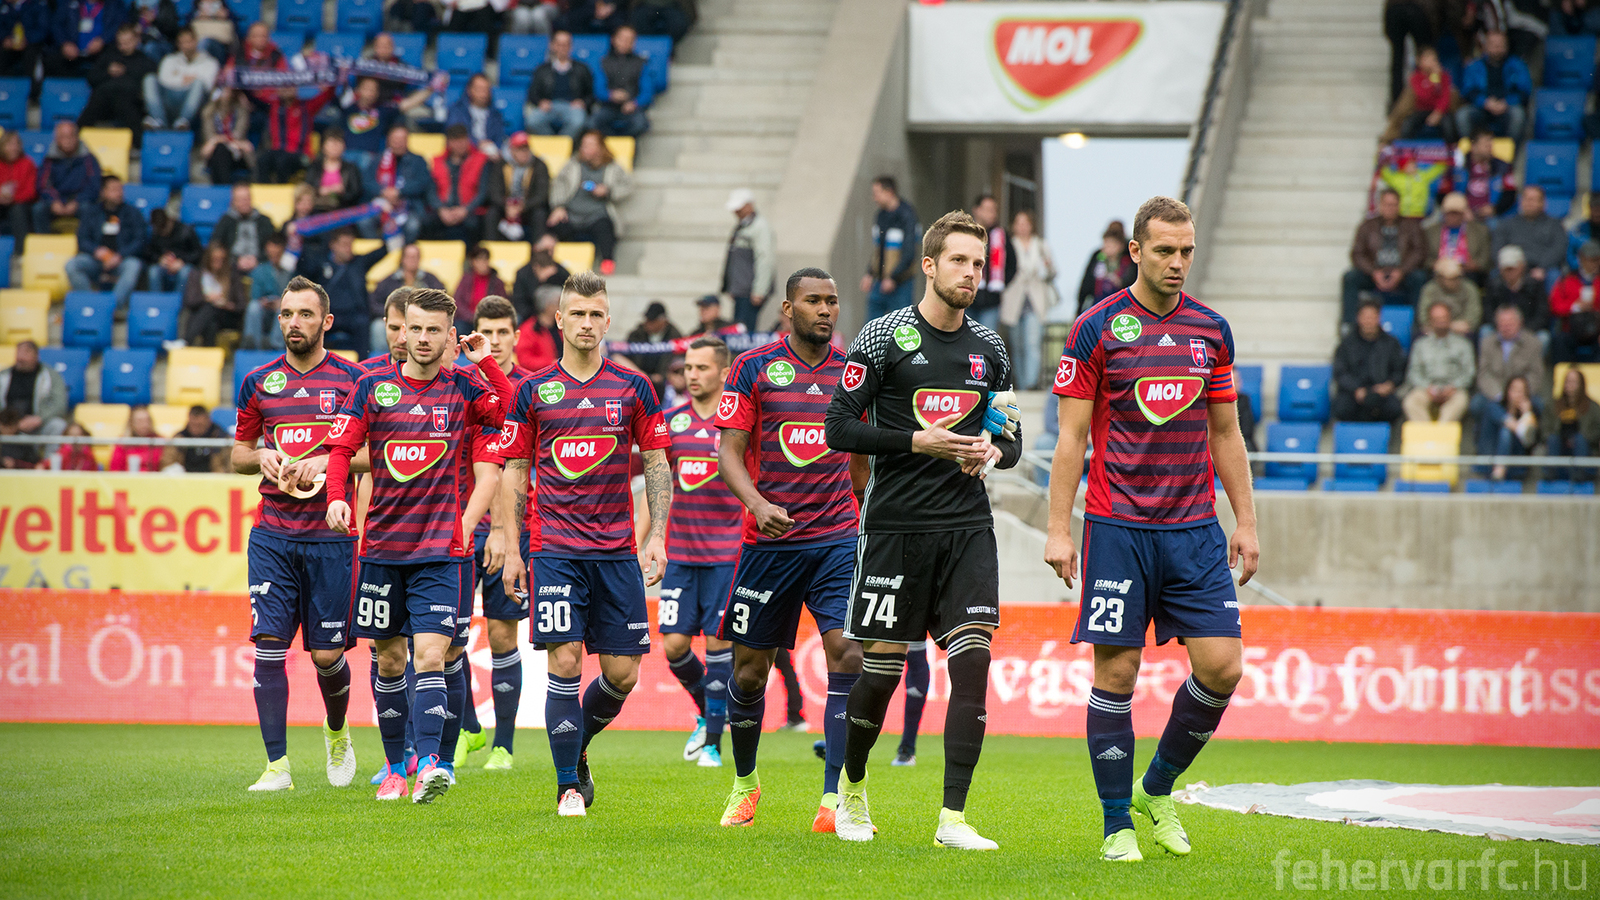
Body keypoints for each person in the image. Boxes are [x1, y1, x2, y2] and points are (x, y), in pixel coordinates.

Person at [1044, 196, 1258, 864]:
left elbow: (1226, 433)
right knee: (1118, 670)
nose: (1177, 262)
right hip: (1117, 527)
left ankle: (1156, 788)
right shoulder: (1095, 329)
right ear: (1135, 251)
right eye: (1165, 250)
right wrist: (1058, 529)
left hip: (1194, 528)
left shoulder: (1211, 330)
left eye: (1186, 250)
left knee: (1223, 667)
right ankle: (1117, 826)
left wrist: (1246, 522)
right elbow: (1071, 438)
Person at [823, 209, 1024, 849]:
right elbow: (837, 427)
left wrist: (992, 450)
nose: (971, 273)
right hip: (894, 529)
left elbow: (1012, 438)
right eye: (959, 260)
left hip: (967, 528)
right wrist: (917, 441)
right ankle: (851, 790)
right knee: (880, 674)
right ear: (930, 265)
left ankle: (953, 820)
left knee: (973, 664)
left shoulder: (991, 347)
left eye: (978, 263)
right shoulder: (883, 337)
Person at [496, 270, 673, 817]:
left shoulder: (632, 387)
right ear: (559, 319)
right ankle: (567, 786)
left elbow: (656, 463)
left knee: (622, 675)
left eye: (596, 314)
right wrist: (512, 547)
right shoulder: (531, 391)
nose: (587, 323)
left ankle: (578, 745)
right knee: (566, 660)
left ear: (609, 321)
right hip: (555, 550)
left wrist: (657, 535)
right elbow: (514, 470)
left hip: (616, 552)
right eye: (578, 313)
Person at [325, 288, 510, 802]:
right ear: (401, 330)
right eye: (415, 328)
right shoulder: (371, 387)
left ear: (450, 335)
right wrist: (336, 497)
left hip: (439, 552)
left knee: (430, 654)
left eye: (434, 330)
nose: (423, 338)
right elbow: (341, 449)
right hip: (382, 549)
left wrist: (486, 362)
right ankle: (393, 769)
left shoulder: (464, 389)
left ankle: (430, 763)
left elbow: (511, 410)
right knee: (389, 660)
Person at [707, 267, 862, 833]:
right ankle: (745, 783)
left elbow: (863, 452)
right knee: (750, 673)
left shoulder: (853, 371)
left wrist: (864, 506)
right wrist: (757, 504)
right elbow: (729, 451)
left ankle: (835, 799)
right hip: (769, 544)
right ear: (788, 310)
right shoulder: (753, 368)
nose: (826, 309)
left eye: (832, 301)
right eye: (813, 300)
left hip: (836, 539)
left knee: (847, 653)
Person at [231, 277, 367, 792]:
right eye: (287, 314)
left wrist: (326, 462)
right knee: (268, 644)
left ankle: (337, 731)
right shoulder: (258, 382)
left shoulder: (353, 381)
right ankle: (277, 766)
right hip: (272, 533)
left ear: (326, 322)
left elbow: (375, 451)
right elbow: (238, 454)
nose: (294, 323)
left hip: (330, 535)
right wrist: (262, 456)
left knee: (327, 656)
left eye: (305, 314)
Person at [654, 335, 740, 768]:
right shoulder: (672, 422)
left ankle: (713, 747)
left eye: (701, 368)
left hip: (727, 555)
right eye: (688, 367)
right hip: (682, 556)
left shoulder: (738, 423)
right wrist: (651, 539)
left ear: (723, 372)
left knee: (719, 646)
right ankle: (710, 714)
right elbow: (656, 483)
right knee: (673, 646)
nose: (692, 375)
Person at [459, 295, 536, 770]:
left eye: (502, 332)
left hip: (509, 530)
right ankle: (468, 727)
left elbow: (515, 468)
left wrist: (504, 530)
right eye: (485, 333)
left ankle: (503, 745)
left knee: (503, 634)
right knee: (447, 635)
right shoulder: (461, 386)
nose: (495, 341)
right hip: (458, 525)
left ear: (516, 336)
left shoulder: (529, 389)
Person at [295, 227, 391, 356]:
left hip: (353, 315)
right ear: (333, 245)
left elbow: (385, 249)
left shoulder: (359, 263)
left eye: (351, 245)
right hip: (327, 313)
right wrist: (296, 238)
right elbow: (301, 266)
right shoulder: (320, 264)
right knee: (312, 323)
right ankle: (309, 361)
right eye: (344, 245)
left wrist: (389, 228)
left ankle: (362, 365)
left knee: (363, 323)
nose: (348, 249)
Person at [548, 129, 632, 273]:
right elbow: (558, 185)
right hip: (571, 214)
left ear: (600, 147)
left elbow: (627, 186)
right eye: (584, 145)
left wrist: (608, 191)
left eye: (590, 145)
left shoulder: (612, 167)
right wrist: (559, 206)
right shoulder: (572, 165)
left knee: (605, 227)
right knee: (553, 224)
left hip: (597, 214)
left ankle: (607, 261)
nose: (585, 148)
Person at [1342, 188, 1426, 325]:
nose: (1390, 208)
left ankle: (1418, 324)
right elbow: (1357, 253)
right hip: (1374, 272)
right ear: (1380, 205)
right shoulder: (1367, 226)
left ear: (1399, 205)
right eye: (1387, 204)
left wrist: (1401, 272)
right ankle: (1349, 324)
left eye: (1393, 204)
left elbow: (1419, 251)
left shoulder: (1411, 226)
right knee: (1350, 278)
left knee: (1419, 277)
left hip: (1403, 273)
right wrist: (1373, 272)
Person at [1471, 304, 1546, 455]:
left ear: (1519, 323)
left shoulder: (1533, 343)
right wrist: (1500, 395)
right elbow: (1483, 374)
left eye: (1510, 323)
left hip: (1522, 393)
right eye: (1502, 323)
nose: (1506, 327)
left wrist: (1520, 393)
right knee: (1477, 404)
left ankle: (1530, 446)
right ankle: (1485, 444)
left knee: (1538, 404)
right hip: (1495, 393)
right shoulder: (1487, 342)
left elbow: (1536, 375)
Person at [65, 175, 147, 311]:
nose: (119, 193)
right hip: (96, 260)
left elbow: (140, 240)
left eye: (120, 189)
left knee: (133, 265)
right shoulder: (91, 212)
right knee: (72, 265)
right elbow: (82, 239)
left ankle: (111, 309)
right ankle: (91, 304)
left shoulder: (133, 213)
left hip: (121, 260)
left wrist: (120, 255)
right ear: (103, 192)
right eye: (114, 190)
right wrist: (97, 251)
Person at [1001, 208, 1054, 392]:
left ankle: (1030, 384)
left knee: (1032, 343)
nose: (1022, 227)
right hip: (1014, 298)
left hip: (1034, 300)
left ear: (1031, 225)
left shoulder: (1041, 245)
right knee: (1017, 346)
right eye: (1019, 223)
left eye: (1025, 223)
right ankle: (1022, 385)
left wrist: (1047, 267)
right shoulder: (1009, 244)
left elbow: (1053, 272)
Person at [76, 24, 156, 142]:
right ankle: (76, 137)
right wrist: (108, 73)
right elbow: (91, 78)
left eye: (128, 42)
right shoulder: (108, 56)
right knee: (98, 98)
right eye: (121, 43)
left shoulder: (145, 61)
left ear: (136, 40)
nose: (124, 46)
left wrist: (126, 71)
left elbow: (147, 84)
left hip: (130, 102)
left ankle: (138, 144)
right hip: (104, 102)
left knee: (124, 102)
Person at [1332, 300, 1407, 423]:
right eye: (1365, 317)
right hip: (1353, 392)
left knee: (1394, 408)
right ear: (1358, 318)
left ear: (1379, 318)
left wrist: (1389, 385)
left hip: (1381, 392)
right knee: (1342, 408)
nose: (1369, 321)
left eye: (1372, 317)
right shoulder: (1346, 344)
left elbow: (1399, 370)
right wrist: (1356, 389)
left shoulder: (1391, 343)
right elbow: (1340, 372)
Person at [1403, 300, 1477, 423]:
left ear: (1450, 318)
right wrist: (1428, 388)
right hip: (1426, 388)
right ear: (1430, 321)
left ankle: (1442, 431)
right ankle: (1427, 433)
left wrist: (1453, 386)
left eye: (1444, 317)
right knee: (1411, 402)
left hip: (1454, 389)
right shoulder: (1420, 345)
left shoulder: (1463, 344)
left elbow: (1469, 372)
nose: (1441, 321)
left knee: (1460, 401)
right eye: (1437, 318)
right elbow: (1414, 373)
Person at [361, 124, 433, 243]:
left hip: (409, 207)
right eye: (395, 139)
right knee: (364, 222)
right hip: (381, 205)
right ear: (388, 141)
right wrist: (382, 191)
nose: (398, 143)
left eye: (402, 140)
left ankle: (404, 252)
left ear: (407, 141)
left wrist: (399, 192)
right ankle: (379, 250)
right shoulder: (377, 160)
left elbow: (422, 183)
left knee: (413, 225)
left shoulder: (418, 160)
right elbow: (367, 182)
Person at [862, 175, 920, 322]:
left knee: (902, 325)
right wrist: (870, 273)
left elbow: (909, 252)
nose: (874, 198)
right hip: (880, 281)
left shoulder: (907, 216)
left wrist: (893, 278)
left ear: (889, 192)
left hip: (901, 284)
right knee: (871, 324)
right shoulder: (880, 216)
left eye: (877, 193)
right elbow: (878, 250)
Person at [369, 243, 446, 352]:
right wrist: (391, 313)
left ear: (420, 259)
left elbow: (443, 300)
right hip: (395, 319)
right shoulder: (388, 281)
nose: (412, 260)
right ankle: (382, 357)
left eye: (415, 256)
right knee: (378, 327)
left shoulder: (430, 280)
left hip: (423, 320)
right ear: (402, 258)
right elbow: (374, 303)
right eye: (409, 256)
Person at [1492, 185, 1567, 296]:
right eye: (1526, 199)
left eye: (1533, 200)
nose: (1529, 203)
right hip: (1513, 266)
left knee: (1554, 275)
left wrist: (1542, 267)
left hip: (1542, 268)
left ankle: (1548, 307)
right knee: (1494, 275)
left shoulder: (1554, 225)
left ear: (1542, 203)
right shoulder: (1507, 224)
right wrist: (1512, 268)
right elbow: (1497, 249)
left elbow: (1558, 248)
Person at [255, 84, 339, 184]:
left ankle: (282, 190)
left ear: (296, 89)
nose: (286, 88)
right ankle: (264, 189)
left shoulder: (306, 107)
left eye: (290, 85)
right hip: (278, 153)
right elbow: (253, 98)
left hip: (302, 155)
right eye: (284, 85)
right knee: (262, 160)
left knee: (283, 161)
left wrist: (331, 83)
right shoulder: (273, 106)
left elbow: (328, 95)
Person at [1456, 31, 1531, 141]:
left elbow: (1524, 91)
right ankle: (1472, 149)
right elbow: (1467, 90)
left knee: (1518, 114)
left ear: (1507, 46)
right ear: (1485, 46)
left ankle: (1511, 149)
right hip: (1481, 107)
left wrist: (1506, 102)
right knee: (1462, 115)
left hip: (1507, 107)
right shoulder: (1474, 66)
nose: (1497, 47)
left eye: (1501, 44)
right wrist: (1485, 102)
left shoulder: (1517, 65)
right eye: (1493, 44)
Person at [423, 125, 492, 242]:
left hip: (470, 210)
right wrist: (441, 209)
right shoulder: (437, 162)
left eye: (463, 140)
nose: (460, 145)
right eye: (456, 141)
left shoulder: (480, 160)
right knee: (426, 222)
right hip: (444, 209)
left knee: (473, 224)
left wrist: (465, 210)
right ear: (449, 143)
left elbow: (483, 192)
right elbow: (431, 190)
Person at [32, 121, 102, 234]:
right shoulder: (49, 160)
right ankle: (44, 242)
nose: (67, 140)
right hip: (56, 201)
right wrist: (54, 201)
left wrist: (76, 201)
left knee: (88, 209)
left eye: (71, 136)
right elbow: (43, 185)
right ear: (57, 139)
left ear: (77, 137)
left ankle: (85, 242)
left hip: (80, 201)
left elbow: (93, 186)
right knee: (38, 209)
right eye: (63, 137)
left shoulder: (89, 159)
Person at [722, 188, 775, 334]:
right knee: (739, 329)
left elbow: (765, 259)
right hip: (742, 290)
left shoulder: (759, 227)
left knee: (745, 331)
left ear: (749, 205)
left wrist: (759, 290)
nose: (736, 211)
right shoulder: (743, 225)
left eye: (739, 207)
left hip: (749, 291)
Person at [338, 77, 418, 175]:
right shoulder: (348, 109)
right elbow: (329, 93)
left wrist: (430, 88)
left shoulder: (383, 110)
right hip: (347, 154)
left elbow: (406, 104)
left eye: (373, 90)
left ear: (377, 93)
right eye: (366, 88)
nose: (370, 93)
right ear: (358, 90)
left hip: (370, 157)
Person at [144, 27, 217, 130]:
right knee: (150, 78)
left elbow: (208, 85)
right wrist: (184, 80)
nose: (186, 46)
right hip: (169, 99)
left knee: (198, 83)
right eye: (182, 43)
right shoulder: (169, 60)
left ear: (196, 41)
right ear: (178, 44)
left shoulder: (210, 62)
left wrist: (181, 78)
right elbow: (164, 80)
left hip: (194, 103)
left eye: (188, 42)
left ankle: (183, 121)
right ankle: (158, 120)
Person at [527, 30, 594, 138]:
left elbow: (591, 94)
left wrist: (582, 102)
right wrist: (540, 102)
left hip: (572, 108)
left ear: (571, 47)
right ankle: (552, 142)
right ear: (552, 45)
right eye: (559, 44)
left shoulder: (582, 69)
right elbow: (532, 93)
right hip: (549, 107)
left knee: (578, 121)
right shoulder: (542, 69)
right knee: (533, 120)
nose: (562, 48)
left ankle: (563, 143)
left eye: (565, 44)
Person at [588, 25, 653, 136]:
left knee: (641, 124)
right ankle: (610, 142)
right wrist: (610, 95)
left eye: (630, 40)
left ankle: (624, 141)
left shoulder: (641, 63)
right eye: (622, 39)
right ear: (614, 40)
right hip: (608, 107)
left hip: (633, 108)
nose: (625, 42)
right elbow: (598, 89)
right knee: (592, 123)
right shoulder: (603, 62)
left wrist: (634, 103)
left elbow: (647, 92)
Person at [1382, 45, 1455, 143]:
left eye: (1434, 59)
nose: (1432, 62)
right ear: (1419, 61)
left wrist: (1438, 112)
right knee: (1408, 125)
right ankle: (1406, 148)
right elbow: (1423, 96)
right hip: (1421, 110)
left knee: (1449, 126)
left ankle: (1451, 149)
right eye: (1428, 58)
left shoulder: (1444, 76)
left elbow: (1445, 96)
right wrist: (1434, 80)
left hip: (1440, 111)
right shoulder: (1416, 78)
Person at [1439, 129, 1516, 222]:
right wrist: (1460, 209)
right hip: (1462, 215)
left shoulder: (1503, 167)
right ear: (1473, 147)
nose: (1490, 148)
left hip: (1492, 216)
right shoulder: (1457, 166)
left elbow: (1510, 193)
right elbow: (1443, 193)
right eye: (1486, 145)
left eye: (1491, 145)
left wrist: (1495, 209)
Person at [492, 133, 552, 243]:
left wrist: (523, 206)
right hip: (506, 205)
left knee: (539, 214)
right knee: (492, 213)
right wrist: (506, 205)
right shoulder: (501, 165)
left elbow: (542, 194)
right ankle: (491, 247)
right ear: (512, 151)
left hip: (528, 206)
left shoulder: (539, 165)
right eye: (519, 149)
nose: (523, 153)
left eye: (526, 149)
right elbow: (494, 191)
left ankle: (538, 248)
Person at [183, 244, 247, 346]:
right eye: (215, 260)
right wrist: (207, 298)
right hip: (207, 315)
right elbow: (190, 301)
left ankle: (186, 342)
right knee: (211, 322)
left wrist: (228, 305)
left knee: (210, 309)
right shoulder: (197, 275)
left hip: (227, 315)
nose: (219, 263)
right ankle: (208, 351)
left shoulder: (233, 276)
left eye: (222, 260)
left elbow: (242, 305)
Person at [0, 340, 68, 437]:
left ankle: (50, 449)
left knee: (58, 425)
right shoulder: (3, 376)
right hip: (5, 425)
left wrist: (40, 418)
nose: (20, 357)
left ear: (36, 355)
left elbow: (59, 404)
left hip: (38, 425)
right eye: (18, 352)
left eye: (26, 353)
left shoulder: (51, 376)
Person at [45, 0, 127, 80]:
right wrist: (64, 43)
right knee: (51, 61)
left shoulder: (115, 4)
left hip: (101, 52)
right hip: (71, 53)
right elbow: (56, 24)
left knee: (113, 65)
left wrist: (103, 40)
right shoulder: (69, 2)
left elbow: (120, 25)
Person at [1545, 367, 1600, 482]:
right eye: (1567, 381)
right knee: (1553, 439)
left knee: (1580, 439)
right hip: (1559, 447)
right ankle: (1552, 473)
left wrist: (1581, 438)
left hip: (1584, 449)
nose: (1570, 385)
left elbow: (1597, 432)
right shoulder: (1552, 406)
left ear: (1581, 384)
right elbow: (1545, 430)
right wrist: (1562, 436)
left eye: (1574, 382)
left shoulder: (1593, 407)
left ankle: (1581, 474)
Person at [967, 194, 1013, 331]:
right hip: (966, 299)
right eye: (987, 209)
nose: (991, 214)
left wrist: (1000, 284)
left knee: (986, 339)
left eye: (994, 210)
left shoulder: (1000, 235)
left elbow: (1012, 265)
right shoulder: (965, 233)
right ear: (976, 210)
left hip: (991, 302)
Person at [1423, 192, 1490, 285]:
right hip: (1439, 270)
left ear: (1463, 214)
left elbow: (1485, 257)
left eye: (1456, 214)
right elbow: (1425, 258)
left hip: (1467, 270)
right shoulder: (1431, 231)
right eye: (1449, 214)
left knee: (1473, 278)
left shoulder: (1479, 230)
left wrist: (1475, 265)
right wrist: (1434, 264)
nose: (1452, 217)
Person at [1485, 244, 1550, 339]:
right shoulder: (1494, 285)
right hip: (1501, 329)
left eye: (1512, 268)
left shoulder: (1534, 285)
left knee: (1543, 337)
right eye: (1506, 269)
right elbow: (1489, 312)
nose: (1509, 272)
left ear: (1521, 266)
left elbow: (1542, 313)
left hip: (1528, 329)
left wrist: (1524, 330)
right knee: (1485, 331)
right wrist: (1504, 327)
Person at [1551, 240, 1600, 363]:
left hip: (1597, 329)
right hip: (1571, 328)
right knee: (1560, 340)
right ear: (1581, 259)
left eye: (1596, 260)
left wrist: (1594, 307)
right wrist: (1575, 306)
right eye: (1590, 260)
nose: (1593, 264)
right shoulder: (1567, 280)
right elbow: (1555, 306)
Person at [243, 232, 293, 350]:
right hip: (263, 307)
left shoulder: (289, 272)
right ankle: (252, 342)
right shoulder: (259, 270)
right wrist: (264, 302)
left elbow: (292, 296)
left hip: (281, 307)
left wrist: (280, 303)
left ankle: (275, 344)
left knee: (284, 309)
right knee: (253, 307)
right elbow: (255, 295)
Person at [1484, 375, 1538, 481]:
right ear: (1507, 391)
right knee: (1506, 430)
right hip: (1491, 460)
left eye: (1521, 391)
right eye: (1514, 390)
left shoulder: (1532, 412)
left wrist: (1526, 414)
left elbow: (1531, 442)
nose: (1517, 394)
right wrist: (1521, 427)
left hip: (1517, 464)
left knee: (1510, 431)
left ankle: (1501, 470)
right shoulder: (1495, 407)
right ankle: (1499, 470)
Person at [1078, 221, 1137, 317]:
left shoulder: (1129, 260)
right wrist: (1080, 307)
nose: (1107, 248)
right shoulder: (1098, 258)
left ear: (1120, 245)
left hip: (1123, 306)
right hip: (1099, 305)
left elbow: (1133, 281)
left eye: (1111, 245)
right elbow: (1086, 284)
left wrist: (1120, 281)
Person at [624, 300, 681, 396]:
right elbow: (623, 355)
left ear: (663, 320)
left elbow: (677, 361)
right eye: (647, 319)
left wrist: (664, 375)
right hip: (638, 380)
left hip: (664, 384)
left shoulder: (675, 336)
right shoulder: (636, 335)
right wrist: (643, 375)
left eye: (652, 320)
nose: (648, 323)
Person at [199, 88, 255, 187]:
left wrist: (218, 140)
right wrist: (223, 141)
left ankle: (221, 189)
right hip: (218, 151)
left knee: (220, 150)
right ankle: (224, 188)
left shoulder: (240, 110)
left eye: (227, 90)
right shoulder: (209, 112)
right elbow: (209, 136)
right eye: (222, 90)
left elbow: (238, 134)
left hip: (238, 154)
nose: (225, 93)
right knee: (220, 150)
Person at [446, 74, 508, 162]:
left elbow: (499, 138)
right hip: (465, 155)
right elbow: (456, 133)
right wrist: (478, 144)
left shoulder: (496, 115)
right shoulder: (457, 111)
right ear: (469, 90)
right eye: (479, 89)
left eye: (486, 90)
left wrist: (494, 148)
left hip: (489, 157)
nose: (483, 94)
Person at [1384, 0, 1436, 106]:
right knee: (1425, 55)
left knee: (1397, 58)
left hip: (1395, 7)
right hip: (1417, 7)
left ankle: (1397, 100)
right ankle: (1427, 93)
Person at [511, 234, 570, 322]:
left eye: (552, 250)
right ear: (536, 249)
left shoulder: (561, 272)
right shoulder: (522, 273)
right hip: (528, 317)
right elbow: (519, 301)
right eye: (545, 249)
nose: (548, 253)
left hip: (556, 318)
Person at [1417, 257, 1481, 336]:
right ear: (1440, 277)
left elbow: (1473, 317)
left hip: (1462, 331)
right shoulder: (1429, 289)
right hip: (1434, 330)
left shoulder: (1469, 289)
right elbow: (1423, 317)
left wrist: (1449, 326)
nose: (1454, 281)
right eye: (1450, 279)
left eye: (1457, 277)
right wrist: (1441, 326)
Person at [305, 130, 364, 214]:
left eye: (339, 143)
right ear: (323, 146)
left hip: (343, 211)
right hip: (316, 210)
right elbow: (307, 189)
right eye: (331, 143)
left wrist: (342, 192)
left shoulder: (351, 168)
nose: (335, 147)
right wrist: (319, 191)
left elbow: (356, 192)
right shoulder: (315, 167)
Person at [144, 208, 202, 293]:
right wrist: (159, 259)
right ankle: (157, 299)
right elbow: (148, 252)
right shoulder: (155, 233)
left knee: (185, 272)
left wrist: (182, 261)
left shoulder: (186, 231)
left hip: (183, 264)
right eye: (160, 231)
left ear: (169, 221)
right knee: (153, 271)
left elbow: (198, 253)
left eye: (164, 228)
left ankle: (177, 299)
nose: (163, 233)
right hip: (163, 266)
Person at [454, 245, 508, 331]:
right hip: (468, 319)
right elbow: (458, 302)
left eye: (485, 260)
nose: (482, 263)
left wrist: (488, 316)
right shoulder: (465, 279)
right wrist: (470, 316)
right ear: (473, 262)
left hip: (490, 319)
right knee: (459, 327)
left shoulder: (497, 282)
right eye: (479, 260)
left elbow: (502, 303)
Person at [161, 403, 227, 472]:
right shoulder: (179, 438)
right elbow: (167, 462)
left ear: (208, 421)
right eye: (192, 425)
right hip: (184, 476)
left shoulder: (221, 438)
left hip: (213, 475)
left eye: (199, 425)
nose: (195, 429)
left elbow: (230, 465)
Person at [0, 0, 48, 86]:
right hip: (9, 44)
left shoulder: (36, 4)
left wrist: (27, 40)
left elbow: (42, 29)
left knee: (31, 57)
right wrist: (5, 38)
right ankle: (5, 88)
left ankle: (31, 90)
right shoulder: (4, 6)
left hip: (31, 44)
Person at [515, 285, 562, 371]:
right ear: (547, 306)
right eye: (557, 303)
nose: (561, 307)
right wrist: (552, 363)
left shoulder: (561, 327)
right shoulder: (529, 329)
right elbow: (525, 360)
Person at [0, 130, 37, 239]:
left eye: (16, 144)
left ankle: (21, 247)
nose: (14, 148)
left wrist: (13, 198)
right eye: (10, 144)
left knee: (17, 210)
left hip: (20, 204)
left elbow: (31, 191)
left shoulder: (28, 163)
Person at [108, 405, 163, 472]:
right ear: (131, 423)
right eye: (140, 421)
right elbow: (115, 469)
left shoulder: (159, 441)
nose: (144, 424)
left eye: (147, 420)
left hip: (154, 477)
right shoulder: (123, 442)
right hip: (128, 478)